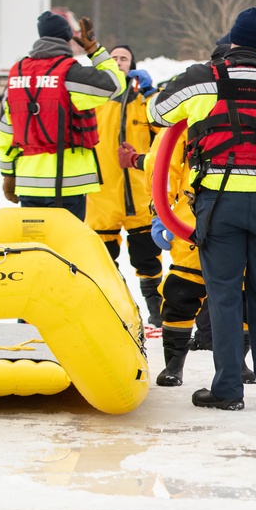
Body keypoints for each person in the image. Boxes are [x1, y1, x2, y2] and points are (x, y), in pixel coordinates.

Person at [148, 7, 256, 410]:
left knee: (223, 296)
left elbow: (157, 113)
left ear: (233, 40)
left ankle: (227, 389)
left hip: (217, 204)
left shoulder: (204, 78)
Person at [0, 11, 125, 220]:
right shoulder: (70, 74)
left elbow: (6, 132)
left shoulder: (16, 76)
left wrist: (8, 174)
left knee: (33, 248)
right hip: (67, 185)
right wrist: (94, 50)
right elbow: (115, 84)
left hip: (28, 184)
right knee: (64, 249)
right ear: (67, 39)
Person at [85, 45, 163, 326]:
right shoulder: (93, 100)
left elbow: (165, 128)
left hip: (139, 196)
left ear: (133, 66)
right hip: (101, 196)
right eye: (113, 58)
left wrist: (151, 92)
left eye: (124, 58)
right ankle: (114, 308)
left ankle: (156, 311)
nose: (118, 62)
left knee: (148, 260)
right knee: (103, 262)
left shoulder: (144, 100)